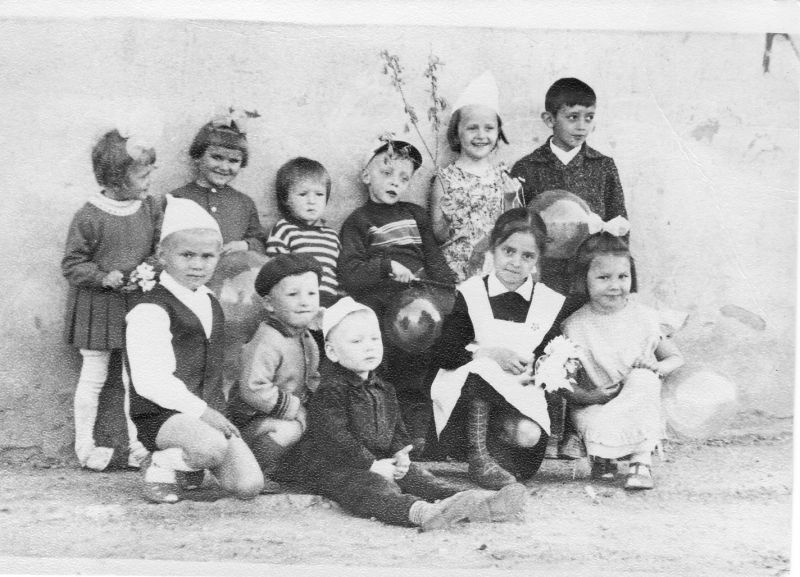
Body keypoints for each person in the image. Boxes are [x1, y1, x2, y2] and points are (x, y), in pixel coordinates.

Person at [275, 297, 527, 531]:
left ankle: (474, 502)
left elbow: (396, 427)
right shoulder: (331, 389)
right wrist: (371, 465)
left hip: (377, 460)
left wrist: (400, 453)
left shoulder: (384, 388)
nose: (368, 347)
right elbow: (335, 437)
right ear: (332, 351)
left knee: (417, 476)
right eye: (356, 342)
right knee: (371, 487)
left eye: (374, 339)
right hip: (334, 466)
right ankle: (421, 512)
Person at [126, 195, 264, 503]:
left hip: (206, 414)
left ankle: (190, 463)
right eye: (186, 255)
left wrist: (215, 412)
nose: (198, 265)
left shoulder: (209, 301)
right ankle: (160, 464)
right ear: (162, 254)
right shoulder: (150, 309)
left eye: (207, 256)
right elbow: (150, 382)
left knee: (248, 485)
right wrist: (204, 413)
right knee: (211, 447)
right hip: (161, 416)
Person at [429, 208, 567, 489]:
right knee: (483, 371)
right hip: (468, 393)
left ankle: (495, 450)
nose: (515, 263)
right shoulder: (472, 293)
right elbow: (444, 351)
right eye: (509, 251)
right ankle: (478, 456)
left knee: (528, 436)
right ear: (493, 248)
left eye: (527, 256)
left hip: (519, 393)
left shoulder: (546, 302)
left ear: (538, 260)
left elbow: (552, 356)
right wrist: (486, 353)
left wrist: (543, 366)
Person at [338, 136, 457, 450]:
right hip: (381, 305)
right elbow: (350, 273)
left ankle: (416, 435)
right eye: (387, 173)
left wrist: (449, 295)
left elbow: (434, 259)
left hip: (419, 307)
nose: (395, 182)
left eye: (404, 178)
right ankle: (382, 434)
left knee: (420, 367)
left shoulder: (416, 215)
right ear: (366, 176)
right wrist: (386, 266)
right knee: (383, 370)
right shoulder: (359, 222)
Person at [62, 128, 159, 471]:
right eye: (143, 175)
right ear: (116, 179)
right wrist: (103, 276)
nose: (149, 181)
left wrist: (148, 269)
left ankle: (138, 447)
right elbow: (72, 264)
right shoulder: (89, 216)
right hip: (99, 308)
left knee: (136, 380)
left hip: (136, 305)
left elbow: (158, 249)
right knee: (94, 377)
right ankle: (84, 446)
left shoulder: (149, 208)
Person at [562, 232, 684, 490]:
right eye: (603, 278)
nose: (615, 285)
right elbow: (565, 380)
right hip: (599, 404)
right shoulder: (575, 325)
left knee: (643, 378)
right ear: (584, 279)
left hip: (638, 401)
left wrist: (657, 367)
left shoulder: (644, 318)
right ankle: (603, 456)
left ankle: (640, 461)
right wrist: (589, 396)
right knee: (590, 415)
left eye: (622, 277)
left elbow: (675, 358)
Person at [510, 78, 628, 294]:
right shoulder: (527, 167)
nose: (582, 126)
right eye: (573, 117)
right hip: (544, 276)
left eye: (589, 117)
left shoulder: (603, 166)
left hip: (591, 276)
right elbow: (517, 227)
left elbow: (619, 221)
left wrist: (616, 273)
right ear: (549, 119)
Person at [226, 254, 322, 493]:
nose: (304, 302)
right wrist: (296, 409)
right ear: (269, 304)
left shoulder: (305, 336)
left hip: (285, 411)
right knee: (289, 430)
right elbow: (254, 388)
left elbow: (312, 376)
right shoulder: (268, 339)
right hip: (251, 419)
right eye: (293, 294)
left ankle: (285, 469)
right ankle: (251, 467)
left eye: (312, 294)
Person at [430, 71, 523, 281]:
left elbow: (515, 231)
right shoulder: (445, 179)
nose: (481, 135)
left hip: (496, 272)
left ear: (498, 132)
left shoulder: (503, 176)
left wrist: (510, 199)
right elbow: (439, 236)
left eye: (489, 128)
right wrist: (446, 218)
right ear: (457, 132)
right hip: (457, 275)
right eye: (472, 128)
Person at [170, 110, 266, 257]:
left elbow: (260, 242)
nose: (224, 167)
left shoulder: (245, 203)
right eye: (216, 157)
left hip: (232, 268)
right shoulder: (178, 198)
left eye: (233, 161)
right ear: (198, 156)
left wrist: (245, 245)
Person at [265, 157, 342, 309]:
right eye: (303, 194)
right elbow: (275, 270)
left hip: (330, 301)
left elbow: (339, 273)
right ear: (286, 199)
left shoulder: (332, 236)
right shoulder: (284, 229)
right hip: (300, 301)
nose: (312, 201)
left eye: (319, 194)